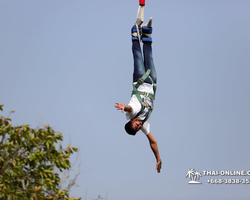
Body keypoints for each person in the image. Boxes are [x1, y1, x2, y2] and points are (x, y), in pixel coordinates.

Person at [115, 17, 162, 173]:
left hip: (141, 79)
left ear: (132, 121)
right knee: (149, 55)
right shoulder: (144, 124)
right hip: (152, 82)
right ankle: (147, 32)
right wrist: (158, 158)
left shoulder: (133, 112)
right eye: (138, 128)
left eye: (136, 126)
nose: (139, 126)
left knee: (137, 55)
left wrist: (124, 106)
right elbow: (153, 142)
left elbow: (129, 108)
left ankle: (135, 31)